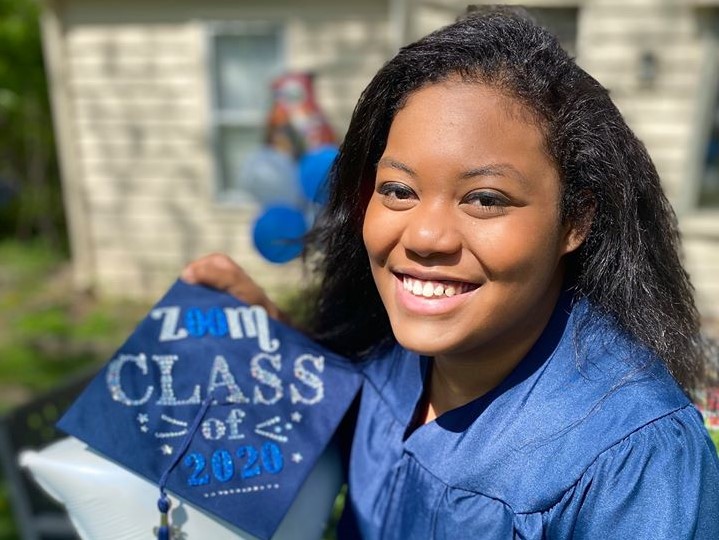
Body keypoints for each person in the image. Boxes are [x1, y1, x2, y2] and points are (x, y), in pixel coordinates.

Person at [182, 7, 719, 538]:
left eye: (485, 199)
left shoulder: (633, 461)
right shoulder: (389, 352)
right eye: (397, 190)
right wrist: (273, 334)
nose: (423, 236)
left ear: (575, 220)